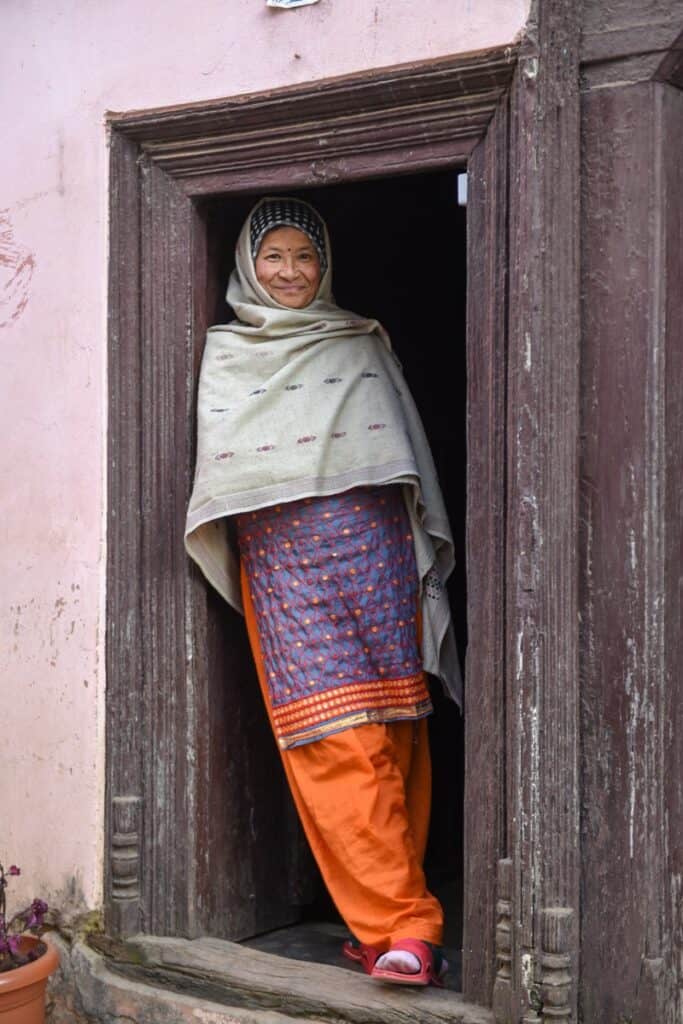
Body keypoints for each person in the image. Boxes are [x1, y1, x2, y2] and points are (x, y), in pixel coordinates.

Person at [185, 196, 462, 986]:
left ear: (325, 264)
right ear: (246, 264)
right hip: (287, 567)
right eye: (272, 256)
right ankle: (405, 925)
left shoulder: (358, 341)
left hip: (373, 556)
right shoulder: (229, 356)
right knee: (331, 733)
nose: (290, 273)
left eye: (304, 257)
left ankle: (385, 925)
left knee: (396, 725)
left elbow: (400, 458)